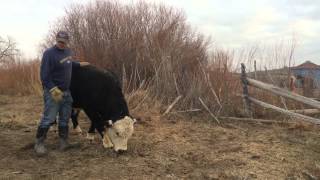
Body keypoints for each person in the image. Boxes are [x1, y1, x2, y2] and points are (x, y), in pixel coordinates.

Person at [34, 30, 89, 155]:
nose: (61, 44)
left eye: (64, 42)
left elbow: (68, 64)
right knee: (48, 118)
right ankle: (39, 143)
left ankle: (64, 142)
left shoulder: (68, 52)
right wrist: (52, 89)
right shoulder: (49, 53)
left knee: (65, 118)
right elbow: (44, 74)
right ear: (56, 40)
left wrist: (79, 64)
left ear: (67, 42)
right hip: (53, 92)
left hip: (66, 92)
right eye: (59, 42)